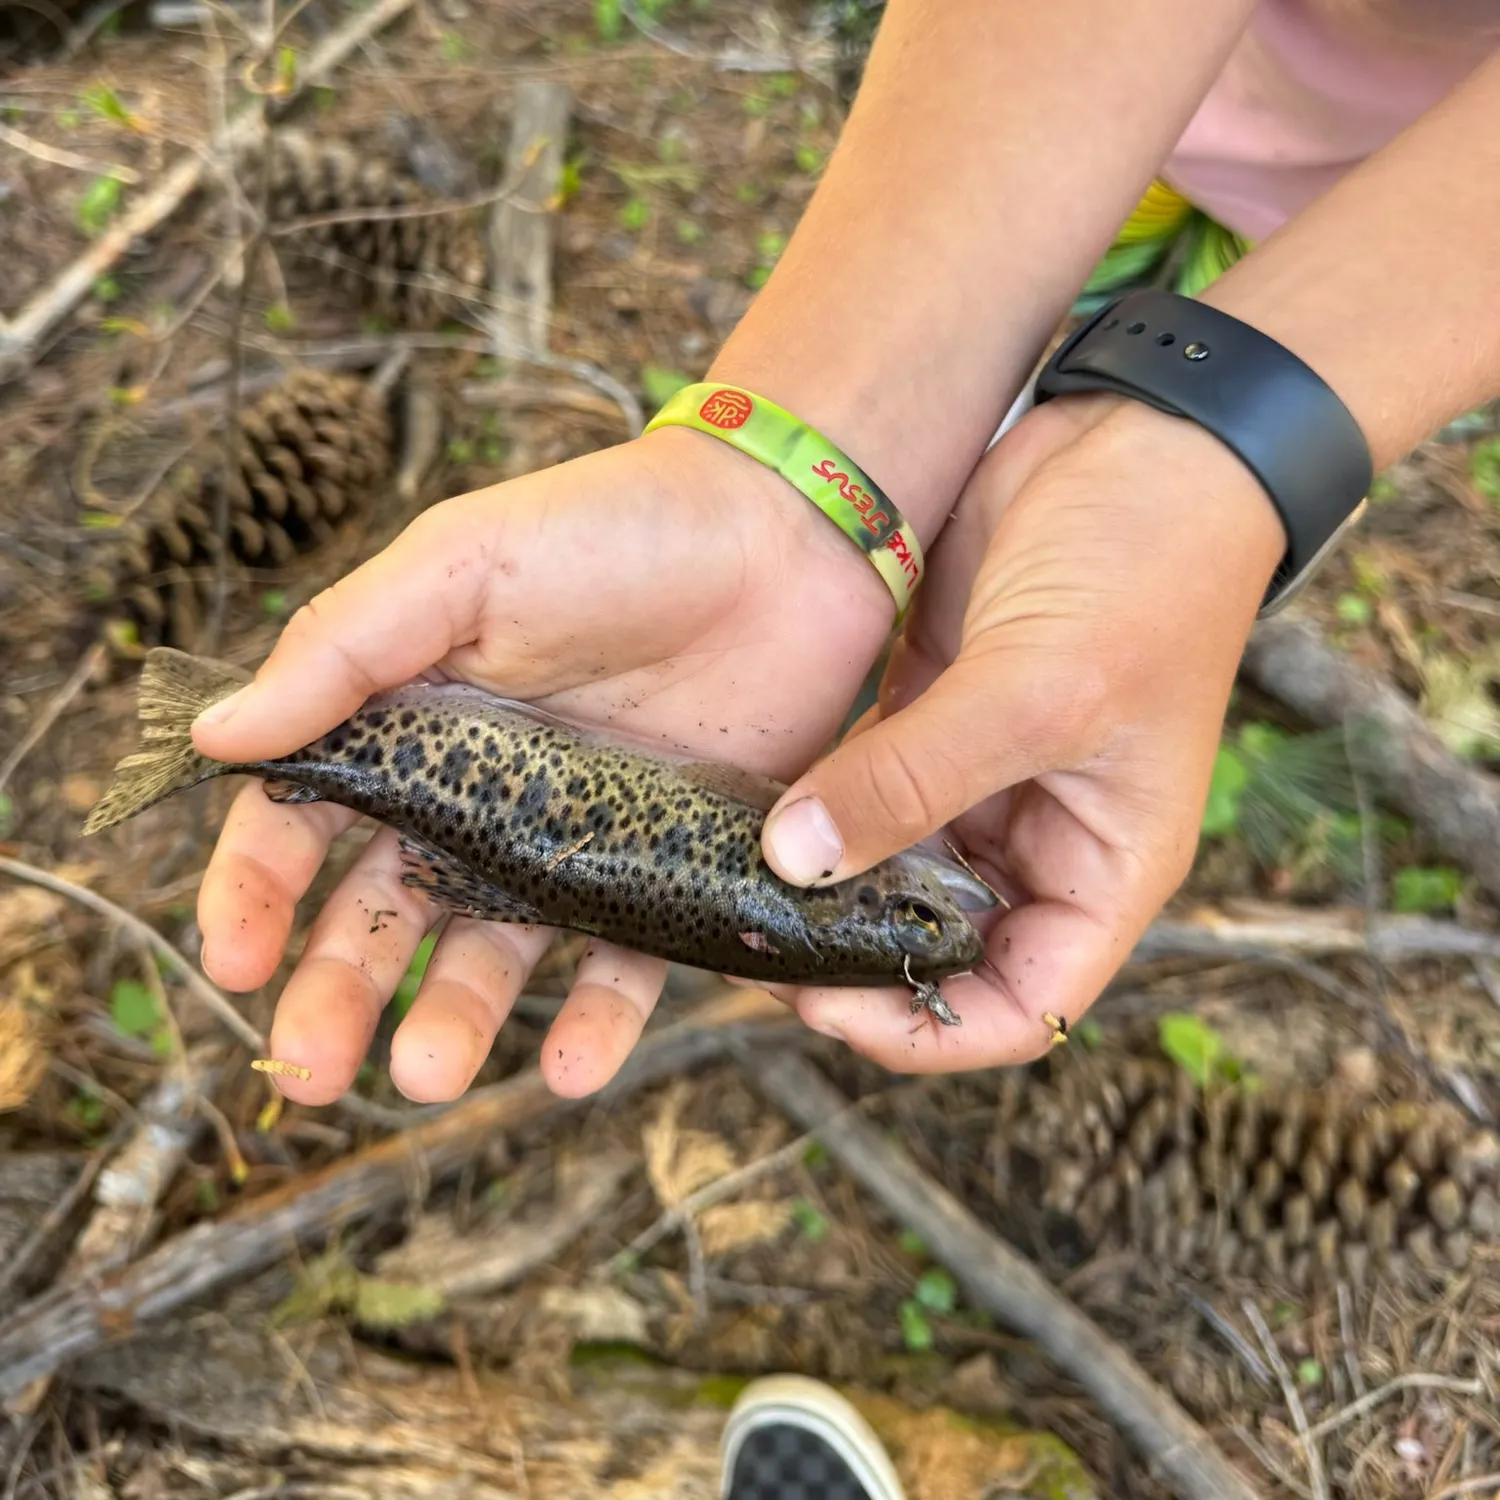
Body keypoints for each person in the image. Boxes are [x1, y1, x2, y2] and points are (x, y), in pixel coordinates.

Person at [184, 2, 1500, 1110]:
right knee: (1015, 493)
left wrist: (1213, 473)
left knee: (1037, 504)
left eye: (921, 923)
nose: (951, 917)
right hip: (1087, 106)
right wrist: (814, 462)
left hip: (1424, 262)